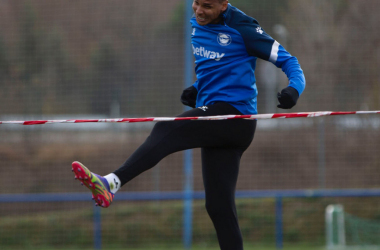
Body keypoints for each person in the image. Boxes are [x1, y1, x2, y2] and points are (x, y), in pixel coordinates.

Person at [71, 0, 305, 249]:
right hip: (218, 118)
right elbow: (222, 65)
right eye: (196, 3)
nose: (199, 10)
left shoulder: (243, 28)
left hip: (234, 118)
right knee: (219, 207)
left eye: (207, 5)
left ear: (224, 4)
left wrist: (294, 89)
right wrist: (197, 89)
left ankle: (111, 183)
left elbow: (290, 62)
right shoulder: (197, 22)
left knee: (166, 128)